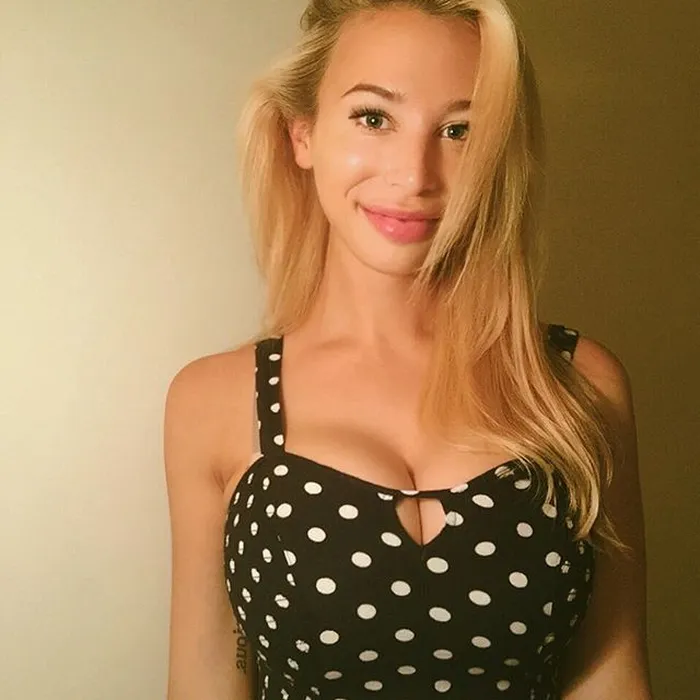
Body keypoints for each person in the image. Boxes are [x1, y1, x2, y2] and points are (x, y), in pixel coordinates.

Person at [163, 1, 652, 698]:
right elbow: (207, 678)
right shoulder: (213, 401)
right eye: (373, 118)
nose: (416, 174)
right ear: (303, 134)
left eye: (459, 130)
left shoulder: (579, 384)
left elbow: (611, 675)